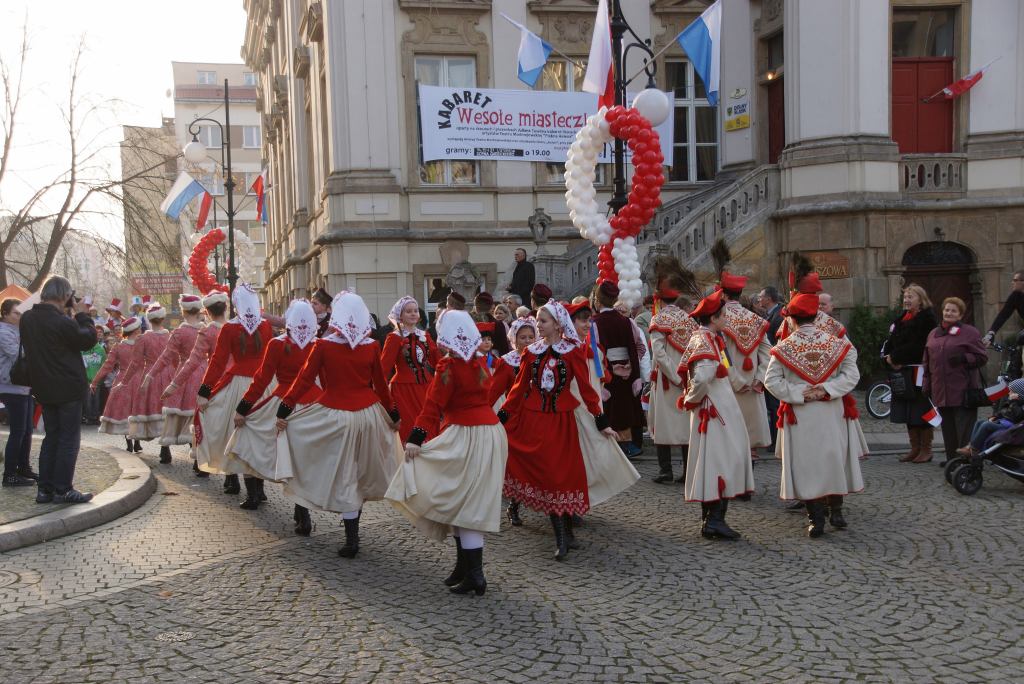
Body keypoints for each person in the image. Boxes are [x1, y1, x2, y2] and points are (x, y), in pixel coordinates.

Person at [386, 310, 508, 596]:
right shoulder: (482, 364)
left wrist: (416, 439)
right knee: (464, 502)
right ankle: (465, 568)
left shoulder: (448, 366)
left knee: (462, 504)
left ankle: (475, 575)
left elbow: (432, 406)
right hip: (490, 434)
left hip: (465, 435)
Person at [274, 291, 401, 559]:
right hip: (368, 415)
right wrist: (393, 415)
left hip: (334, 415)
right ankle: (353, 532)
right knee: (357, 472)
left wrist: (284, 409)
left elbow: (304, 381)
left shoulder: (323, 346)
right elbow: (380, 385)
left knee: (342, 472)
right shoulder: (371, 346)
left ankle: (350, 537)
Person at [499, 301, 616, 561]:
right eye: (538, 321)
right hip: (534, 421)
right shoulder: (531, 352)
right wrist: (501, 418)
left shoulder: (573, 351)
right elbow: (518, 390)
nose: (537, 326)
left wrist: (602, 421)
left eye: (543, 321)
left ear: (557, 324)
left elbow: (587, 391)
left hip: (561, 423)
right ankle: (562, 537)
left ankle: (567, 535)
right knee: (549, 476)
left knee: (561, 476)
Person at [764, 293, 864, 538]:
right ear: (816, 316)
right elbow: (852, 375)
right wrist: (828, 389)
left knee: (808, 464)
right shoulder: (839, 344)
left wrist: (799, 393)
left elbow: (771, 381)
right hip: (832, 410)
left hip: (801, 413)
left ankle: (815, 519)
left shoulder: (783, 347)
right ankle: (837, 511)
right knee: (834, 459)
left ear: (793, 320)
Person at [228, 299, 321, 511]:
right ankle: (302, 509)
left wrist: (243, 409)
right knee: (305, 458)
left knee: (249, 440)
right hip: (314, 404)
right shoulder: (319, 344)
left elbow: (261, 380)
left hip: (282, 401)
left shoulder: (278, 344)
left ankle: (254, 495)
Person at [678, 289, 755, 539]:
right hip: (714, 412)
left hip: (713, 409)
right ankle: (714, 520)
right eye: (723, 315)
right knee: (719, 460)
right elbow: (702, 376)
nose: (726, 319)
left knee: (714, 460)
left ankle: (710, 519)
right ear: (713, 318)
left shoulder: (708, 337)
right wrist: (692, 399)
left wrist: (743, 383)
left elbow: (719, 371)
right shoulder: (705, 340)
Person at [18, 275, 98, 504]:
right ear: (66, 296)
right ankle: (63, 489)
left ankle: (45, 489)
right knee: (68, 439)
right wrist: (82, 314)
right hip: (68, 388)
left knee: (51, 437)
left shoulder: (28, 319)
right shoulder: (62, 322)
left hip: (43, 387)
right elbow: (88, 339)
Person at [195, 284, 275, 494]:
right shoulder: (265, 326)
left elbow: (218, 363)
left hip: (239, 385)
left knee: (240, 434)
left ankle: (252, 493)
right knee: (260, 435)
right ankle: (261, 490)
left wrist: (204, 392)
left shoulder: (229, 328)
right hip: (265, 385)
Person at [161, 292, 228, 466]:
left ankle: (198, 457)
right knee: (227, 424)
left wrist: (174, 384)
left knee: (200, 418)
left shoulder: (203, 331)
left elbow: (188, 359)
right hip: (232, 380)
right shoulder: (233, 329)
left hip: (208, 378)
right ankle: (230, 470)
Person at [922, 297, 988, 467]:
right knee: (948, 428)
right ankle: (952, 460)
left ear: (960, 315)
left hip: (963, 390)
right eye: (946, 309)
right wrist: (926, 384)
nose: (949, 313)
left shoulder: (970, 332)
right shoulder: (933, 333)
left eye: (953, 310)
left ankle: (967, 462)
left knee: (964, 428)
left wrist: (964, 358)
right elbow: (926, 362)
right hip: (941, 389)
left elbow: (982, 357)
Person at [141, 295, 205, 463]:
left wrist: (150, 374)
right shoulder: (205, 329)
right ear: (198, 310)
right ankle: (198, 455)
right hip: (205, 374)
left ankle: (165, 449)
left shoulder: (179, 332)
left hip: (184, 375)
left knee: (175, 411)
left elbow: (166, 357)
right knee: (198, 413)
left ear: (183, 312)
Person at [717, 271, 773, 459]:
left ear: (723, 294)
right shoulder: (757, 320)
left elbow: (721, 355)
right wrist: (759, 379)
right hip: (752, 387)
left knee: (728, 441)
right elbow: (768, 354)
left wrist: (735, 380)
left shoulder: (718, 320)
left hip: (727, 386)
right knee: (750, 445)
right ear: (739, 295)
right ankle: (749, 483)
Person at [487, 316, 537, 526]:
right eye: (522, 337)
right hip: (514, 418)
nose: (526, 340)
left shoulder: (541, 356)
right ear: (513, 339)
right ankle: (514, 504)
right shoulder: (506, 362)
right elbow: (493, 391)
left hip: (537, 416)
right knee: (517, 463)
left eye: (530, 337)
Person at [649, 283, 699, 484]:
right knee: (684, 424)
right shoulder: (689, 320)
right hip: (686, 377)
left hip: (667, 380)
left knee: (663, 422)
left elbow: (659, 353)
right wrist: (685, 375)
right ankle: (688, 470)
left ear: (659, 300)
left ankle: (665, 470)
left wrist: (675, 375)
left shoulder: (658, 319)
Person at [883, 284, 939, 463]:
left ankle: (926, 449)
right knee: (908, 410)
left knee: (921, 408)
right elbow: (892, 341)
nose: (906, 300)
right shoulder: (901, 319)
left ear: (920, 300)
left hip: (919, 370)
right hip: (903, 369)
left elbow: (919, 345)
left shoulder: (927, 319)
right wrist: (888, 357)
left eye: (910, 297)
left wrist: (896, 357)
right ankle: (914, 448)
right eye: (905, 297)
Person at [591, 281, 645, 458]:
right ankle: (626, 446)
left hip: (607, 371)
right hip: (627, 373)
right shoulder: (627, 321)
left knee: (610, 408)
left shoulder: (595, 323)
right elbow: (636, 346)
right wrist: (635, 374)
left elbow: (596, 350)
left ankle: (611, 449)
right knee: (625, 409)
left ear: (598, 300)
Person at [380, 295, 438, 443]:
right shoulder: (394, 337)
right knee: (409, 430)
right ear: (400, 315)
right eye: (408, 311)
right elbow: (383, 370)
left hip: (426, 388)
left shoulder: (425, 335)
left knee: (430, 431)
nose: (413, 314)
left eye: (415, 311)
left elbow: (438, 361)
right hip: (403, 390)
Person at [0, 298, 37, 486]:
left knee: (27, 430)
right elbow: (19, 353)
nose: (19, 316)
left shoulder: (19, 330)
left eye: (21, 313)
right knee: (18, 431)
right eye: (16, 313)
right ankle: (9, 474)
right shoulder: (3, 331)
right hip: (10, 386)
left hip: (24, 387)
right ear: (5, 314)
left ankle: (23, 467)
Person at [93, 317, 144, 452]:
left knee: (125, 412)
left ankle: (129, 443)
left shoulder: (119, 347)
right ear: (136, 330)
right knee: (136, 411)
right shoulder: (142, 345)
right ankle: (137, 441)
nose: (141, 330)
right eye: (139, 328)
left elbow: (107, 366)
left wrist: (95, 381)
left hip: (123, 381)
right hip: (139, 379)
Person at [127, 302, 171, 453]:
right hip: (168, 374)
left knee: (151, 409)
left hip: (150, 375)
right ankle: (166, 447)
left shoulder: (143, 339)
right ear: (163, 318)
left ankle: (143, 441)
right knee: (167, 408)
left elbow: (135, 363)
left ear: (149, 320)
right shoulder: (169, 336)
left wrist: (125, 380)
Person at [961, 378, 1024, 457]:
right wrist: (995, 416)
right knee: (979, 422)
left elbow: (1018, 415)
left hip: (1010, 426)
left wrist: (1014, 402)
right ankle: (970, 446)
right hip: (1002, 421)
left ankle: (974, 449)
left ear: (1019, 394)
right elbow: (1003, 411)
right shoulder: (1010, 401)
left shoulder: (1018, 404)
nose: (1009, 393)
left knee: (986, 426)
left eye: (1012, 391)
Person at [982, 270, 1024, 346]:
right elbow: (1003, 315)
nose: (1012, 283)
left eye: (1015, 280)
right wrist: (991, 332)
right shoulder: (1016, 296)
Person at [81, 330, 107, 426]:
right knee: (87, 399)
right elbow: (81, 364)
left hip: (97, 380)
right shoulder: (83, 350)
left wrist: (100, 379)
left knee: (96, 399)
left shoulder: (100, 350)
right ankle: (88, 417)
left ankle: (95, 417)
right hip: (86, 380)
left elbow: (104, 365)